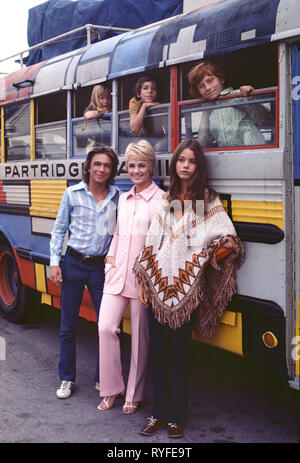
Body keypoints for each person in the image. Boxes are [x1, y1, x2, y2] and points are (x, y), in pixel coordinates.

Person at [134, 139, 244, 438]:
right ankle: (157, 413)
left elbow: (228, 238)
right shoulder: (168, 197)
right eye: (181, 160)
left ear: (199, 166)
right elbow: (154, 241)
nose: (185, 165)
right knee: (158, 354)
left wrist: (204, 259)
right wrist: (145, 282)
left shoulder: (206, 199)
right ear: (174, 164)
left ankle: (175, 417)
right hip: (158, 289)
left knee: (180, 356)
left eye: (191, 161)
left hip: (186, 290)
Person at [97, 140, 164, 414]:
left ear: (151, 167)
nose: (136, 171)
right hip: (116, 276)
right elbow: (115, 235)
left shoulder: (162, 200)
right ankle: (111, 388)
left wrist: (149, 282)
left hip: (142, 283)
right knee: (105, 327)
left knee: (140, 338)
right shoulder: (123, 199)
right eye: (132, 165)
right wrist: (109, 264)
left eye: (142, 165)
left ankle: (134, 394)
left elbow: (160, 245)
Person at [50, 146, 119, 399]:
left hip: (101, 268)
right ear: (88, 167)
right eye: (97, 164)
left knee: (106, 326)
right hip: (74, 264)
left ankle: (104, 379)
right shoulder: (72, 194)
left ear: (112, 171)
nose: (101, 169)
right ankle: (67, 378)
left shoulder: (117, 197)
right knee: (68, 325)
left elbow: (117, 235)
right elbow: (59, 230)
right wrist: (54, 262)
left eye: (107, 166)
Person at [188, 61, 266, 147]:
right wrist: (206, 111)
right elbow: (203, 141)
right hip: (228, 156)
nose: (207, 88)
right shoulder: (210, 109)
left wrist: (251, 99)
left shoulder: (238, 95)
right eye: (201, 86)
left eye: (210, 81)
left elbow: (265, 121)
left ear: (221, 79)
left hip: (255, 152)